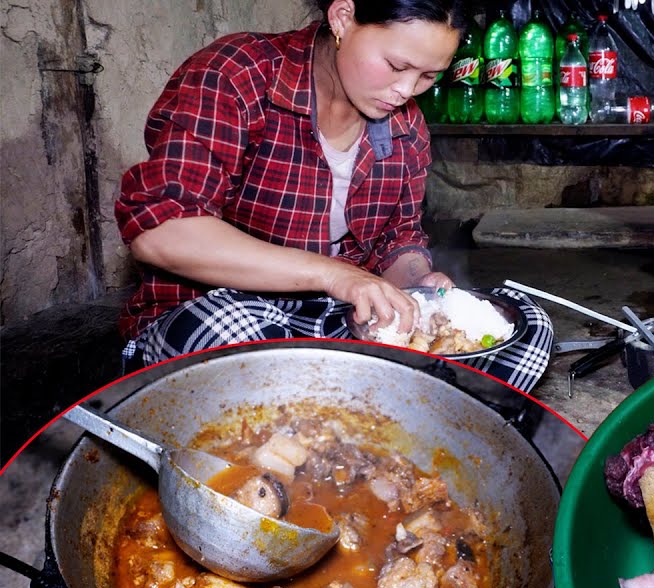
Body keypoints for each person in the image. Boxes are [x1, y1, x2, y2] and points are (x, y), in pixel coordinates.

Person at [114, 0, 553, 391]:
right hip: (220, 311)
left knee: (526, 327)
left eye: (428, 76)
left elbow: (396, 238)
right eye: (397, 66)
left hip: (331, 318)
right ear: (343, 17)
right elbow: (160, 231)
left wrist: (416, 284)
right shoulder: (239, 74)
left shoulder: (405, 126)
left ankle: (361, 403)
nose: (406, 90)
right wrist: (336, 275)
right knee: (232, 339)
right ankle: (372, 402)